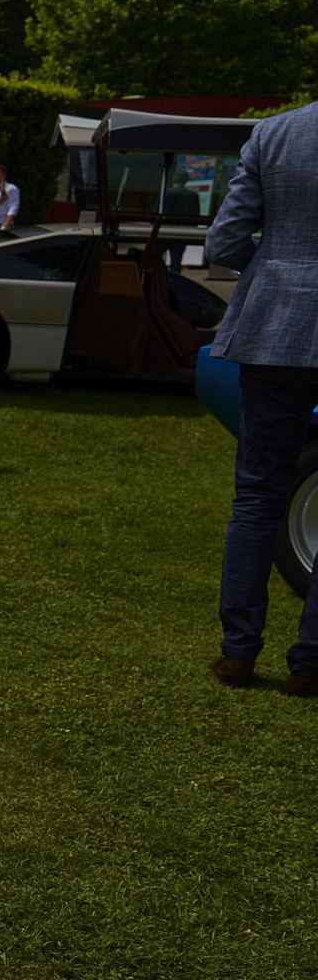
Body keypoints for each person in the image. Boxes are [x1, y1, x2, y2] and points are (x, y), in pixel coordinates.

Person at [204, 100, 318, 694]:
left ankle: (238, 652)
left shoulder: (275, 132)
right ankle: (311, 662)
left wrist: (277, 274)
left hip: (274, 327)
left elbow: (224, 242)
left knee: (257, 494)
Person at [0, 163, 20, 231]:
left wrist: (7, 223)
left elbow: (13, 207)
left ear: (3, 175)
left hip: (2, 224)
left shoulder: (12, 188)